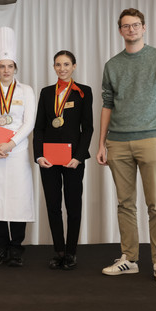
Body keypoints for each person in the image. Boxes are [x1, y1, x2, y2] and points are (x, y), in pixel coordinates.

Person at [95, 8, 156, 283]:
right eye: (126, 26)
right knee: (125, 204)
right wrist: (101, 143)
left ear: (144, 27)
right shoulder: (112, 65)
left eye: (135, 25)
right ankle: (129, 258)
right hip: (117, 141)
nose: (131, 29)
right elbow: (107, 104)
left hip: (151, 138)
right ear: (120, 30)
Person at [0, 27, 37, 267]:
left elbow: (28, 122)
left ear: (15, 68)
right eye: (2, 66)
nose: (6, 70)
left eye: (10, 66)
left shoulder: (26, 91)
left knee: (17, 199)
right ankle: (0, 247)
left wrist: (11, 143)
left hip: (17, 151)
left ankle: (16, 248)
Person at [33, 50, 94, 270]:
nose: (62, 68)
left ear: (74, 66)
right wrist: (38, 155)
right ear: (54, 67)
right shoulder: (46, 92)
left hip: (73, 159)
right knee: (53, 205)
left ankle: (71, 252)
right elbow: (39, 127)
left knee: (73, 205)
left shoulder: (84, 91)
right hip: (49, 159)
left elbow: (88, 128)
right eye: (58, 65)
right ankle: (59, 251)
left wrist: (79, 157)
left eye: (66, 64)